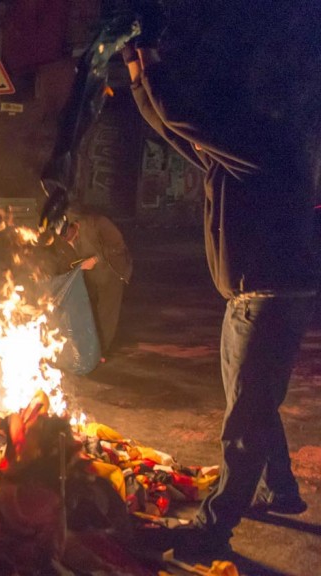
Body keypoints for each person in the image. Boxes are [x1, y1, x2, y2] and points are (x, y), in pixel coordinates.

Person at [125, 6, 320, 557]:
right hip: (249, 298)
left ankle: (216, 527)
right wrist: (138, 75)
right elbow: (174, 130)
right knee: (253, 402)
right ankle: (280, 491)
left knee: (246, 417)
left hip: (270, 299)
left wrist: (154, 63)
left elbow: (187, 120)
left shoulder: (267, 150)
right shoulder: (234, 160)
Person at [57, 207, 132, 356]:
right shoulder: (65, 237)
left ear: (73, 224)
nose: (67, 240)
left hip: (112, 273)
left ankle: (101, 352)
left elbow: (118, 247)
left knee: (106, 314)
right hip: (92, 277)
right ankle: (88, 347)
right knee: (90, 312)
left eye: (68, 235)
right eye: (63, 238)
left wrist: (96, 259)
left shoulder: (98, 224)